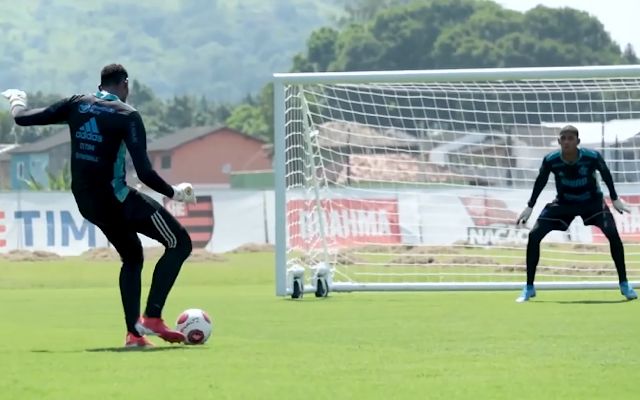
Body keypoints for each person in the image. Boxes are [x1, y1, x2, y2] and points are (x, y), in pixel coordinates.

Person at [2, 64, 195, 347]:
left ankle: (134, 334)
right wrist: (175, 193)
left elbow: (22, 119)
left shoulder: (77, 104)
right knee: (180, 242)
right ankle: (152, 317)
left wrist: (16, 100)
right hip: (116, 198)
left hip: (88, 203)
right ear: (125, 84)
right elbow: (144, 172)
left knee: (132, 257)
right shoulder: (127, 115)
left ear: (101, 83)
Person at [515, 124, 637, 303]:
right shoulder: (551, 160)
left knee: (613, 235)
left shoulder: (592, 157)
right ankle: (529, 287)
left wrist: (615, 198)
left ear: (577, 142)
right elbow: (541, 180)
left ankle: (624, 284)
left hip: (592, 203)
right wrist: (530, 206)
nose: (566, 142)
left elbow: (605, 173)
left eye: (570, 138)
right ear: (559, 141)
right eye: (563, 138)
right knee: (534, 236)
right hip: (564, 203)